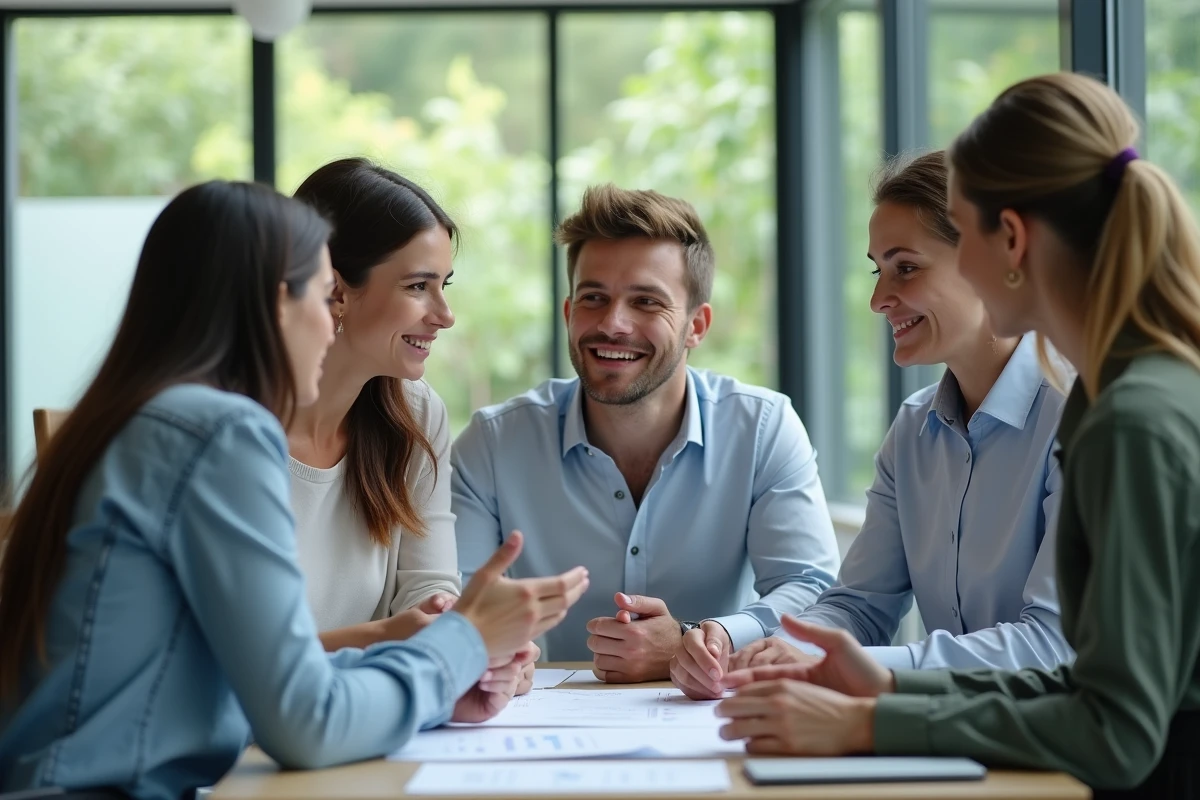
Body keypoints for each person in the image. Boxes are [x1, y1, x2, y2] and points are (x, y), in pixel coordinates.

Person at [0, 180, 588, 800]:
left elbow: (230, 682)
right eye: (321, 291)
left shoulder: (143, 417)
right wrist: (462, 646)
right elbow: (307, 721)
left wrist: (445, 674)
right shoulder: (221, 433)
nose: (328, 314)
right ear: (274, 303)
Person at [714, 72, 1200, 798]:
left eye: (960, 237)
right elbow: (1088, 686)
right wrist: (879, 686)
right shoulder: (1136, 394)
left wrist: (869, 722)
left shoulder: (1124, 419)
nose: (881, 298)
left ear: (1009, 238)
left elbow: (1115, 729)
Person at [682, 152, 1073, 700]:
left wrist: (872, 667)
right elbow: (860, 605)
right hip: (960, 741)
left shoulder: (1081, 417)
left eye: (905, 267)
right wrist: (787, 650)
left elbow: (1055, 645)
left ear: (988, 262)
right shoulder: (914, 429)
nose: (877, 299)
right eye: (877, 269)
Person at [452, 184, 840, 680]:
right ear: (570, 315)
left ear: (696, 326)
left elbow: (809, 588)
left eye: (646, 302)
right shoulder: (493, 444)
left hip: (711, 721)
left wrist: (705, 638)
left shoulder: (762, 428)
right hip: (537, 717)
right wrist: (497, 655)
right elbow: (459, 600)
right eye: (594, 298)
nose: (613, 324)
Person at [288, 159, 538, 699]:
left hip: (356, 718)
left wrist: (470, 638)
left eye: (443, 285)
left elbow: (426, 590)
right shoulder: (227, 429)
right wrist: (390, 641)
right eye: (418, 286)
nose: (445, 315)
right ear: (335, 290)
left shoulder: (416, 415)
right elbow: (226, 657)